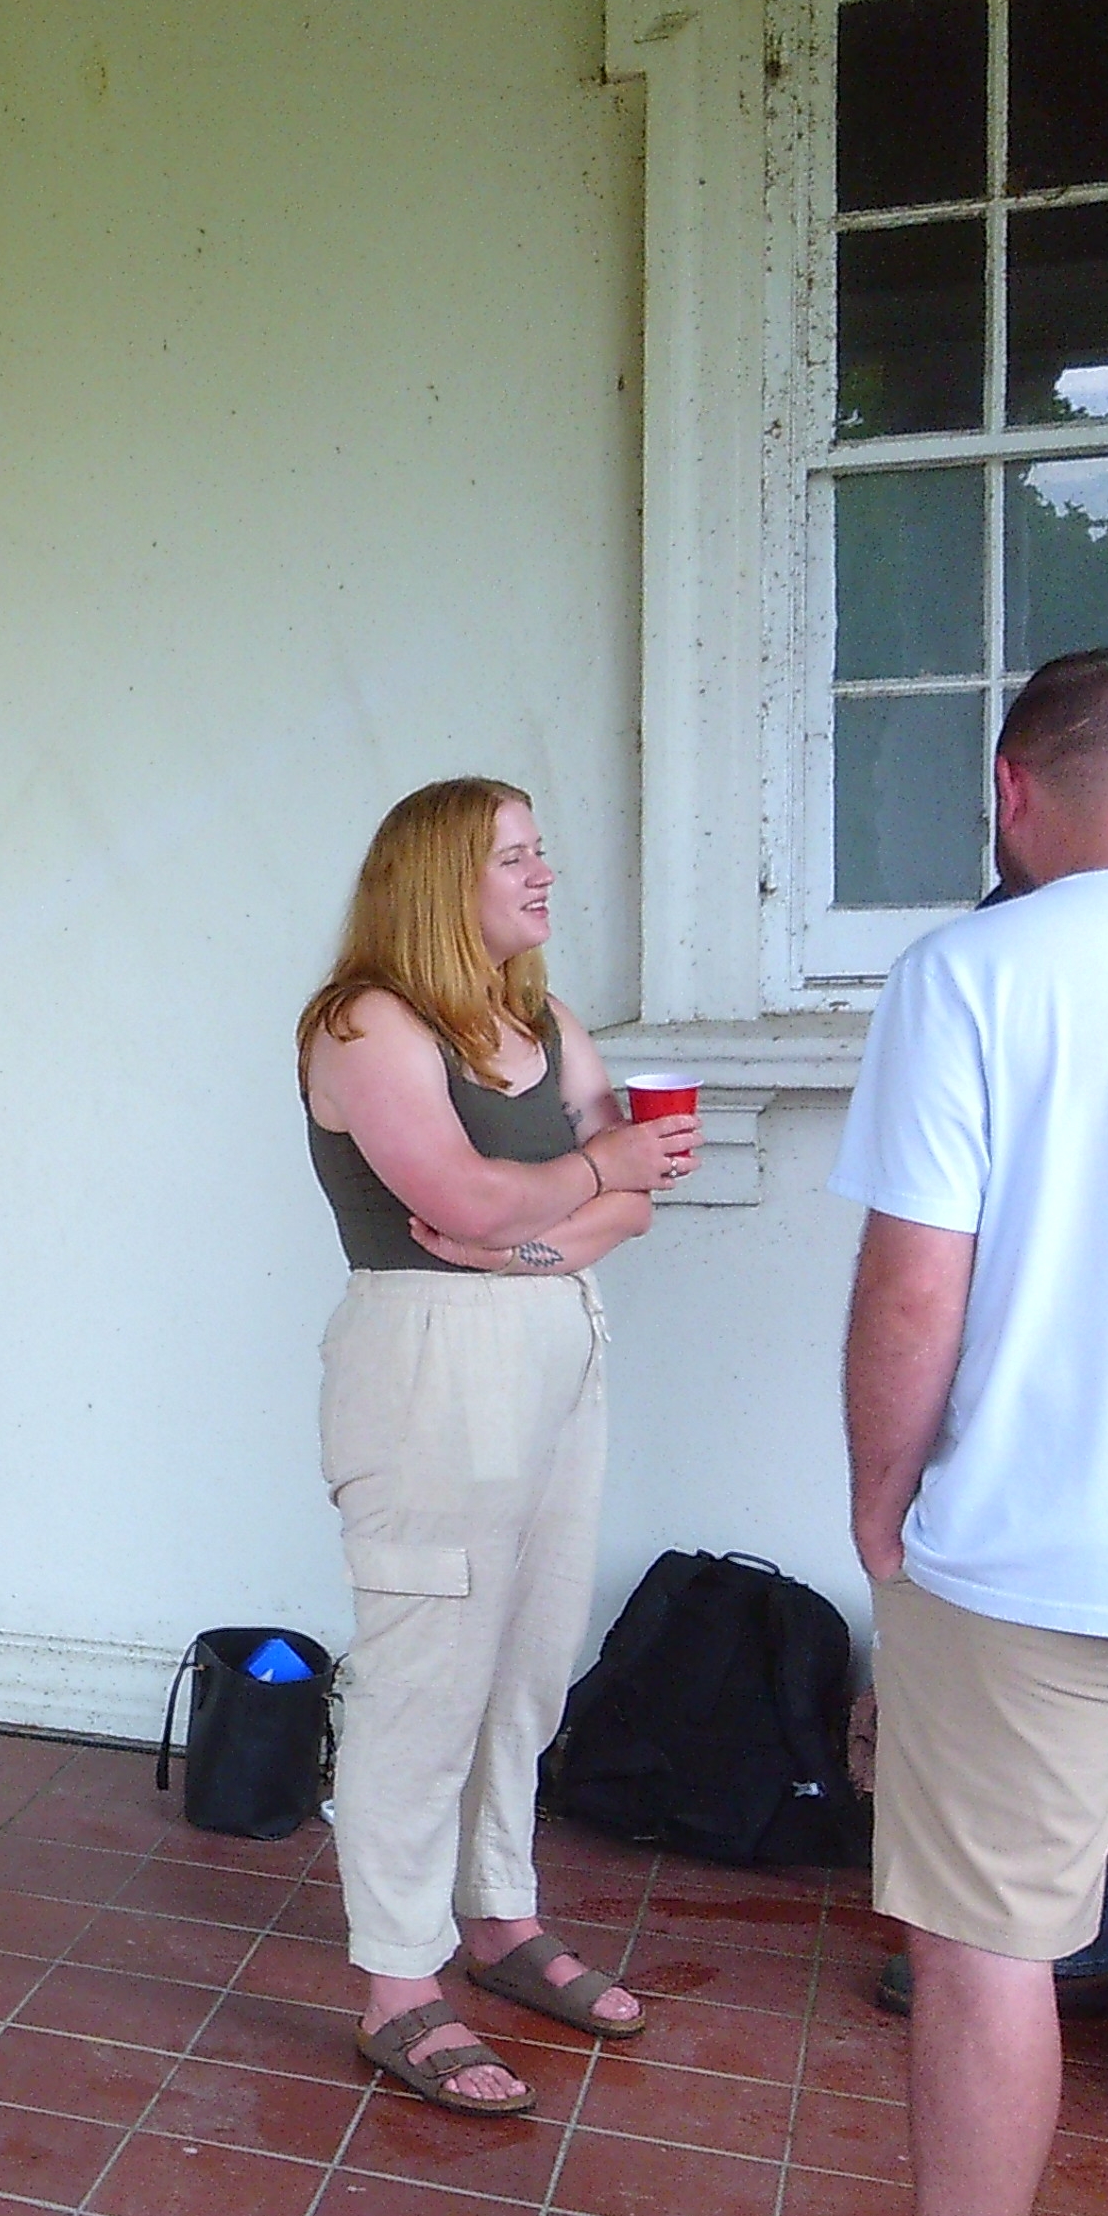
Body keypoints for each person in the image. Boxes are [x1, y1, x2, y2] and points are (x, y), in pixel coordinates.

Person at [297, 777, 699, 2113]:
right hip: (427, 1362)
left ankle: (500, 1920)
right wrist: (590, 1179)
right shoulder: (367, 1025)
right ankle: (399, 1986)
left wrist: (521, 1233)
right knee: (426, 1671)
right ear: (437, 880)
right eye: (513, 857)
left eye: (539, 852)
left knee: (526, 1655)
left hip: (551, 1340)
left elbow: (631, 1212)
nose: (543, 875)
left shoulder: (544, 1019)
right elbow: (478, 1193)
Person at [833, 649, 1108, 2216]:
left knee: (986, 1950)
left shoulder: (971, 973)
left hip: (1028, 1548)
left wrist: (877, 1498)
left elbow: (910, 1288)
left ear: (1010, 792)